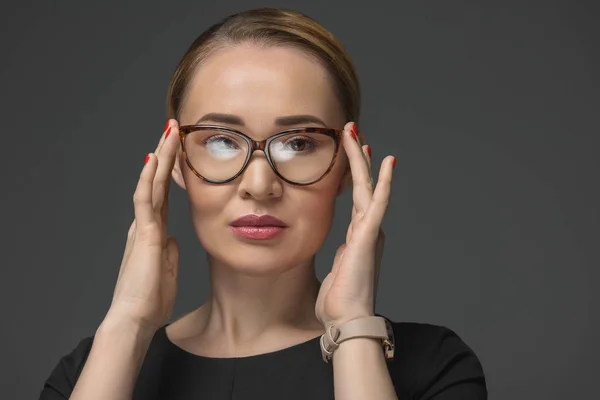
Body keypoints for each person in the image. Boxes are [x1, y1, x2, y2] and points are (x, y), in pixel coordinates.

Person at [39, 8, 487, 400]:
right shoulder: (89, 372)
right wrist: (127, 324)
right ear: (173, 159)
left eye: (297, 142)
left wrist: (352, 327)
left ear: (348, 164)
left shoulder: (433, 368)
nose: (259, 184)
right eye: (220, 140)